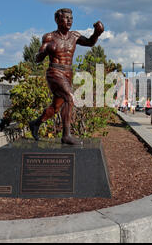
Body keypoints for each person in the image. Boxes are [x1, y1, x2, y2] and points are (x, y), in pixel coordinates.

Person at [29, 8, 104, 144]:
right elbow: (37, 58)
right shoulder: (49, 37)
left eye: (71, 18)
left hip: (68, 73)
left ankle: (35, 123)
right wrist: (44, 52)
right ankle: (66, 135)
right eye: (66, 18)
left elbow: (90, 42)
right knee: (70, 97)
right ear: (57, 20)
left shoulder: (74, 36)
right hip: (54, 72)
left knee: (56, 107)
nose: (69, 20)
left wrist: (97, 33)